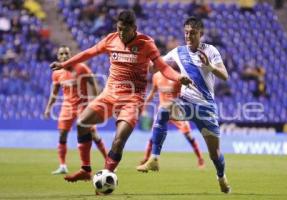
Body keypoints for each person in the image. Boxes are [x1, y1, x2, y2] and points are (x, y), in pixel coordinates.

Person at [50, 10, 192, 182]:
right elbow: (88, 53)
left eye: (125, 29)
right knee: (82, 123)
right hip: (109, 95)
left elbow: (163, 67)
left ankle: (106, 177)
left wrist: (178, 77)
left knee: (118, 141)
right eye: (119, 29)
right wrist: (64, 64)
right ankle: (86, 170)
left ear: (134, 28)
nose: (121, 33)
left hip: (132, 100)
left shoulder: (146, 44)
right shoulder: (111, 39)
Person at [136, 17, 231, 194]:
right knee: (163, 110)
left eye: (193, 33)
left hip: (206, 108)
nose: (188, 36)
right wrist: (143, 57)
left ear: (201, 34)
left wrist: (209, 66)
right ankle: (154, 159)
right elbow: (155, 67)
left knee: (214, 153)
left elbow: (225, 75)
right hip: (186, 103)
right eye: (186, 32)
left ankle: (221, 177)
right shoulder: (178, 52)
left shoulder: (210, 51)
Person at [44, 46, 107, 175]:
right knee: (62, 134)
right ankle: (62, 166)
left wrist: (95, 100)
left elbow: (92, 81)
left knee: (94, 135)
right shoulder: (57, 73)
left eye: (66, 53)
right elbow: (54, 92)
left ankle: (108, 160)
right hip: (67, 107)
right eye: (61, 54)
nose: (64, 56)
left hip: (82, 107)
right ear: (58, 57)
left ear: (70, 55)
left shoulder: (81, 68)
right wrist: (48, 108)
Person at [138, 71, 205, 168]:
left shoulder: (177, 76)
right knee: (154, 136)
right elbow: (152, 92)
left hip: (175, 111)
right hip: (162, 111)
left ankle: (200, 158)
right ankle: (146, 158)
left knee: (188, 135)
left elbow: (185, 93)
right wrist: (144, 108)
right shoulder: (156, 76)